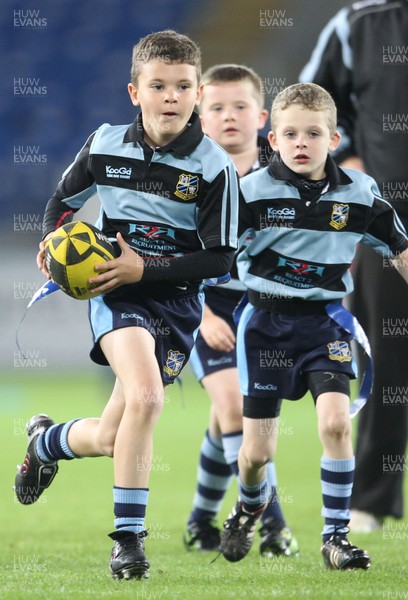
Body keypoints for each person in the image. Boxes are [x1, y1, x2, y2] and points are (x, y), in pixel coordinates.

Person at [14, 30, 239, 581]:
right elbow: (60, 203)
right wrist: (51, 240)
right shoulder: (105, 143)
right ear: (134, 92)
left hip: (179, 307)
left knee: (115, 435)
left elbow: (220, 261)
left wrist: (150, 267)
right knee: (146, 397)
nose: (170, 96)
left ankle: (46, 443)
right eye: (157, 85)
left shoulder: (214, 168)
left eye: (182, 86)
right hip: (116, 295)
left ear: (197, 92)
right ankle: (129, 542)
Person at [219, 82, 408, 570]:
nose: (302, 143)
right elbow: (215, 256)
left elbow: (399, 249)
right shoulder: (249, 193)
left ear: (334, 138)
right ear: (274, 141)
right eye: (290, 134)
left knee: (336, 423)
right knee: (257, 452)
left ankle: (335, 538)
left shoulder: (359, 194)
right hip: (264, 327)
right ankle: (248, 505)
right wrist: (202, 311)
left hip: (326, 326)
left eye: (313, 133)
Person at [299, 0, 408, 533]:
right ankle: (371, 499)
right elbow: (308, 105)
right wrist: (349, 160)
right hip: (389, 222)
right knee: (388, 362)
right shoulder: (359, 23)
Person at [183, 64, 298, 558]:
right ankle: (271, 525)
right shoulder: (186, 176)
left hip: (265, 307)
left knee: (225, 416)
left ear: (261, 117)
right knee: (234, 408)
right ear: (200, 117)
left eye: (240, 107)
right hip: (206, 306)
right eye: (216, 108)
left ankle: (198, 520)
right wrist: (203, 314)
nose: (229, 116)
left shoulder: (288, 174)